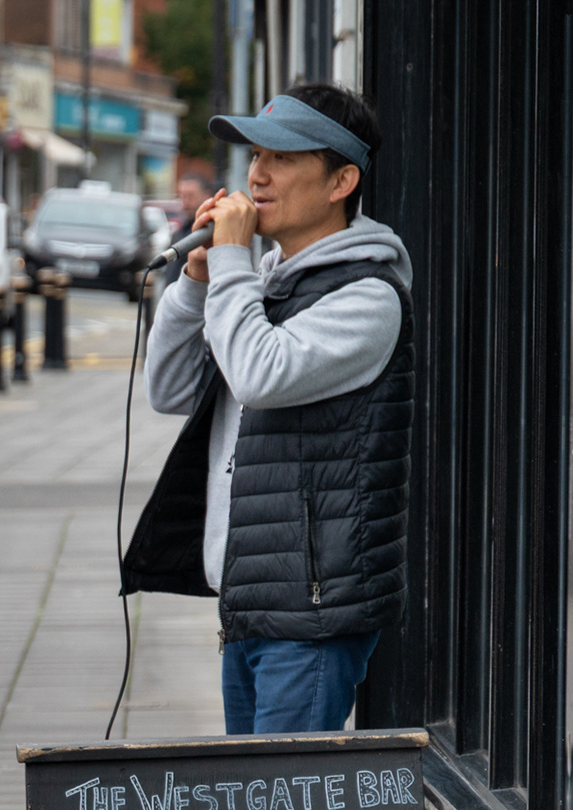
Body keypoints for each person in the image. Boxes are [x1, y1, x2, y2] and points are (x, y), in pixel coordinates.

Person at [121, 83, 411, 735]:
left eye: (281, 158)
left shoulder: (367, 295)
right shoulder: (265, 286)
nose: (257, 175)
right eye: (255, 155)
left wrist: (229, 265)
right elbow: (169, 390)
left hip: (313, 612)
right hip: (253, 599)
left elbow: (258, 374)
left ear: (341, 180)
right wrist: (196, 288)